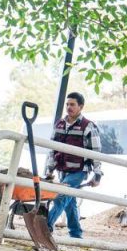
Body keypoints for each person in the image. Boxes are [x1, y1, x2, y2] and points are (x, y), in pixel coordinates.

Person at [44, 92, 102, 239]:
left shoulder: (88, 126)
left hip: (79, 170)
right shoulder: (60, 124)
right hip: (62, 169)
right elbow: (52, 147)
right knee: (70, 202)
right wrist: (50, 169)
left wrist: (97, 175)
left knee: (61, 196)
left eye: (72, 104)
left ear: (80, 107)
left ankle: (45, 226)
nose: (69, 107)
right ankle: (76, 235)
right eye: (67, 104)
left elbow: (96, 152)